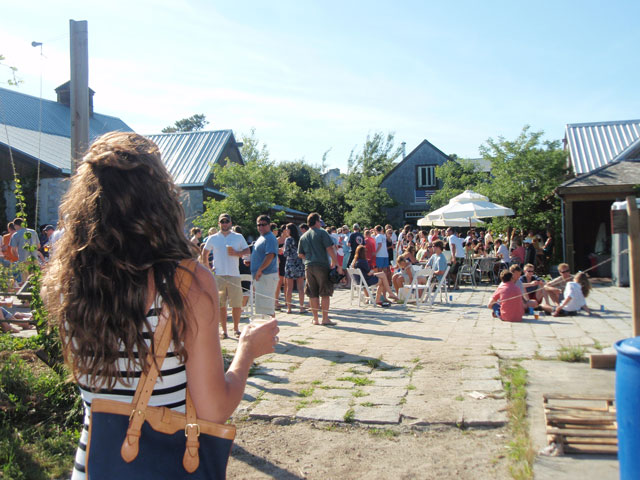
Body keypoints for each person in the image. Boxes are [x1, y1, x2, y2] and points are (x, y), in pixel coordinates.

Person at [41, 132, 278, 480]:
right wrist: (246, 352)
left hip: (94, 467)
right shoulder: (187, 283)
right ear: (161, 198)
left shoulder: (65, 282)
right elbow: (213, 410)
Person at [201, 213, 250, 339]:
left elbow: (247, 251)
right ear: (218, 224)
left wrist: (237, 253)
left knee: (236, 304)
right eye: (222, 222)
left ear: (230, 223)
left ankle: (236, 328)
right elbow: (204, 253)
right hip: (219, 275)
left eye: (226, 221)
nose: (224, 224)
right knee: (221, 305)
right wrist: (207, 268)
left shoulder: (238, 237)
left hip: (234, 274)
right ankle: (224, 330)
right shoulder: (213, 238)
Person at [298, 212, 343, 326]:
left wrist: (310, 257)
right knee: (325, 292)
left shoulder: (303, 236)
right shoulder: (322, 233)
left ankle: (315, 319)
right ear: (317, 221)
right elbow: (329, 248)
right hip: (322, 265)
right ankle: (325, 318)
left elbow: (300, 254)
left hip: (309, 266)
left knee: (312, 293)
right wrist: (336, 263)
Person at [251, 215, 280, 318]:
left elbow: (270, 256)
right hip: (261, 276)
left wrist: (260, 269)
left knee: (267, 307)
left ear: (269, 225)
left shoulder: (270, 237)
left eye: (263, 225)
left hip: (266, 275)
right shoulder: (262, 237)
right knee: (262, 308)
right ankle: (267, 332)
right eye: (258, 225)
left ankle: (271, 332)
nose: (261, 227)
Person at [283, 223, 306, 314]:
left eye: (287, 229)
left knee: (289, 288)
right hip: (299, 263)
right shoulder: (300, 239)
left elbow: (286, 253)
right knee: (300, 287)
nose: (285, 231)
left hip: (290, 264)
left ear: (290, 230)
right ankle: (301, 307)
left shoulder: (288, 240)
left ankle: (289, 308)